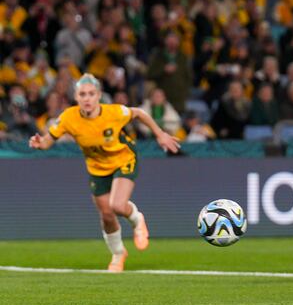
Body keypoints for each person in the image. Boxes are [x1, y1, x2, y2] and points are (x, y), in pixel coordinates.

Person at [28, 74, 180, 271]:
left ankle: (136, 218)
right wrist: (40, 144)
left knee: (116, 205)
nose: (87, 98)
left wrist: (160, 135)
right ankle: (118, 254)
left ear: (99, 95)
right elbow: (49, 139)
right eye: (82, 94)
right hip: (97, 168)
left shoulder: (114, 112)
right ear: (76, 97)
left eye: (91, 93)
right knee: (106, 214)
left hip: (123, 158)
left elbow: (139, 113)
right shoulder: (68, 117)